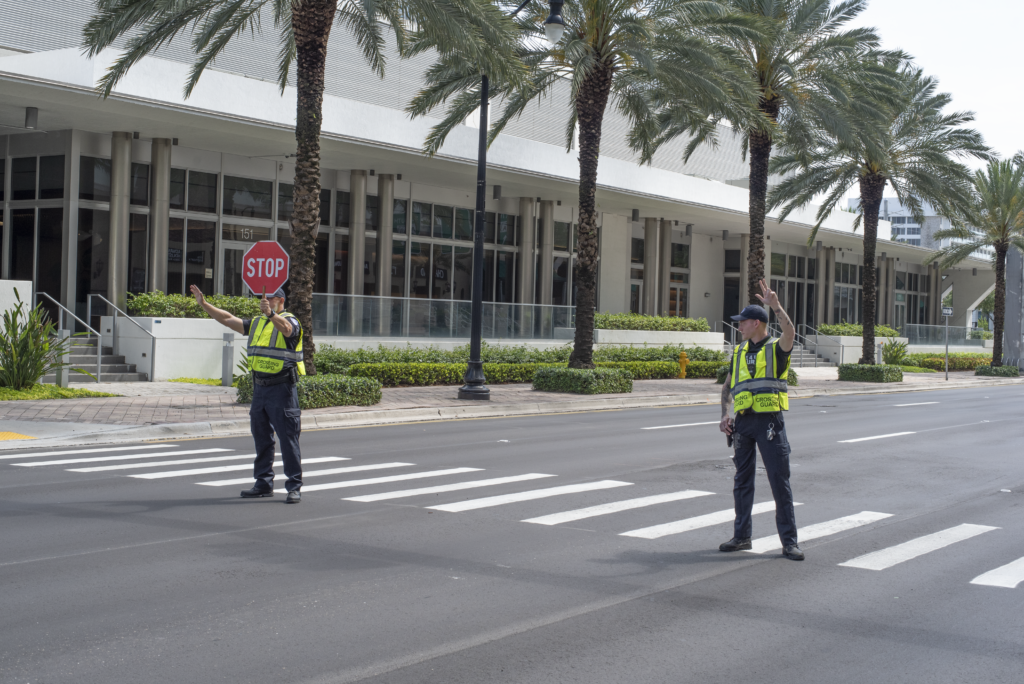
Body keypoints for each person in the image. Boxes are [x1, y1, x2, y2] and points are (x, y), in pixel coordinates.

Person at [190, 284, 304, 503]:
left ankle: (294, 486)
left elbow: (288, 331)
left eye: (270, 299)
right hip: (260, 388)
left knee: (288, 439)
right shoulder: (257, 323)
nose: (265, 301)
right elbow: (227, 318)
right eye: (264, 299)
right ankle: (263, 483)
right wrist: (204, 304)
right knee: (262, 439)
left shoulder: (290, 320)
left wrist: (270, 314)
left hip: (282, 389)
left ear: (280, 301)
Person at [718, 279, 803, 560]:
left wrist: (776, 307)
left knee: (779, 482)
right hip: (743, 424)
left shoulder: (776, 348)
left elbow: (791, 332)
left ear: (756, 323)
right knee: (742, 482)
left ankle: (790, 542)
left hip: (769, 424)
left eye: (742, 322)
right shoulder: (739, 351)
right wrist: (724, 415)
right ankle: (742, 537)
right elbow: (728, 386)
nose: (738, 326)